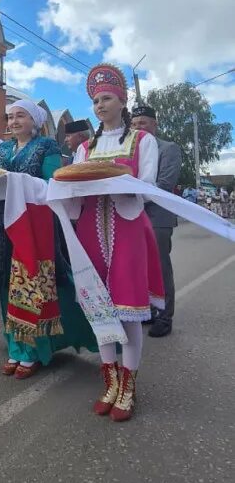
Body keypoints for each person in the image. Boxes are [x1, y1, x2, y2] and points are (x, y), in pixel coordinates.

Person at [69, 64, 163, 422]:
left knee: (129, 311)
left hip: (127, 229)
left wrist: (115, 183)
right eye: (95, 100)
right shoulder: (85, 149)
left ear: (122, 101)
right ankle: (108, 379)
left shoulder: (143, 142)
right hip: (90, 232)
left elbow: (148, 187)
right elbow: (74, 190)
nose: (99, 106)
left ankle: (129, 384)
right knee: (99, 308)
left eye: (106, 98)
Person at [0, 101, 98, 378]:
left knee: (29, 282)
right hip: (2, 223)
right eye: (10, 116)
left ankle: (33, 350)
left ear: (35, 121)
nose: (14, 121)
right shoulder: (2, 149)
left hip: (35, 223)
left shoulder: (47, 147)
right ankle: (15, 348)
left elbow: (52, 183)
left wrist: (19, 183)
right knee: (6, 281)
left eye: (20, 116)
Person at [131, 104, 182, 338]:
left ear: (154, 124)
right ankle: (150, 309)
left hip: (158, 215)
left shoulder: (168, 148)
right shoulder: (132, 150)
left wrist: (132, 198)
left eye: (143, 123)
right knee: (141, 267)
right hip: (132, 214)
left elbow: (164, 184)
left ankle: (165, 316)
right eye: (134, 124)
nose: (138, 127)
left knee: (160, 267)